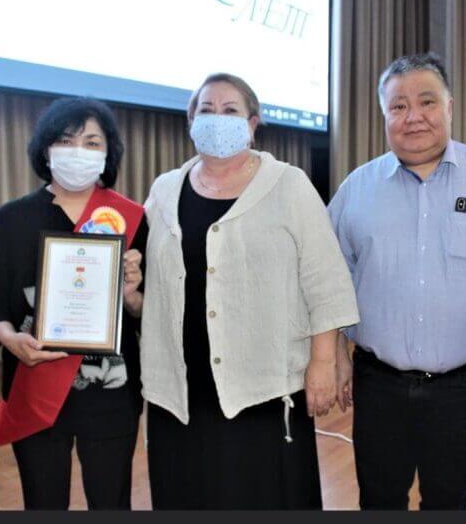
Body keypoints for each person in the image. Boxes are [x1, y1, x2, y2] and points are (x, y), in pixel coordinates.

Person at [327, 52, 466, 510]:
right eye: (399, 106)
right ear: (384, 115)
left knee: (449, 501)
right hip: (378, 383)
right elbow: (329, 279)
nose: (413, 116)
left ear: (449, 107)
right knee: (379, 499)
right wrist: (335, 356)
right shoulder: (356, 189)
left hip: (463, 387)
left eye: (426, 102)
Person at [139, 73, 359, 509]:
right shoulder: (163, 191)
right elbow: (154, 287)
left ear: (252, 124)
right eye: (206, 110)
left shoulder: (288, 185)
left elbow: (326, 281)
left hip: (263, 386)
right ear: (191, 120)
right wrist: (130, 292)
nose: (216, 118)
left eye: (230, 110)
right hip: (180, 389)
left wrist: (323, 362)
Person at [0, 97, 147, 509]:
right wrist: (10, 339)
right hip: (34, 386)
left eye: (91, 142)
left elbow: (144, 311)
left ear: (108, 153)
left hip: (111, 392)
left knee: (111, 503)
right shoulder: (14, 218)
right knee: (43, 503)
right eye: (66, 141)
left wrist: (131, 295)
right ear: (46, 150)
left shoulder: (131, 217)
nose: (78, 152)